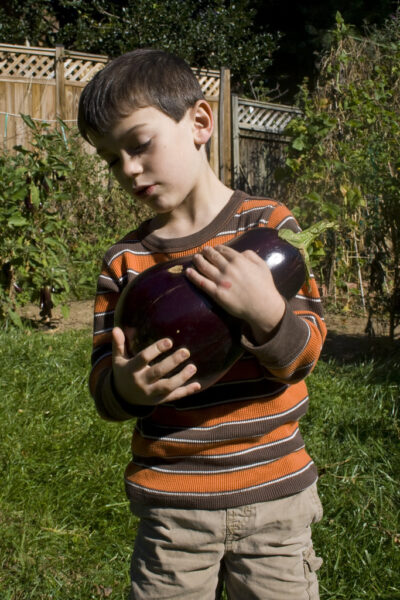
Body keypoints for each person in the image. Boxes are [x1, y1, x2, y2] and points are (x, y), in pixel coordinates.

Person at [78, 48, 326, 600]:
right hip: (174, 509)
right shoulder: (125, 263)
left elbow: (305, 353)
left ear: (199, 122)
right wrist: (125, 386)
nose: (128, 169)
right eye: (111, 159)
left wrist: (266, 315)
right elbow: (103, 383)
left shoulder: (270, 226)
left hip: (275, 500)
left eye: (138, 145)